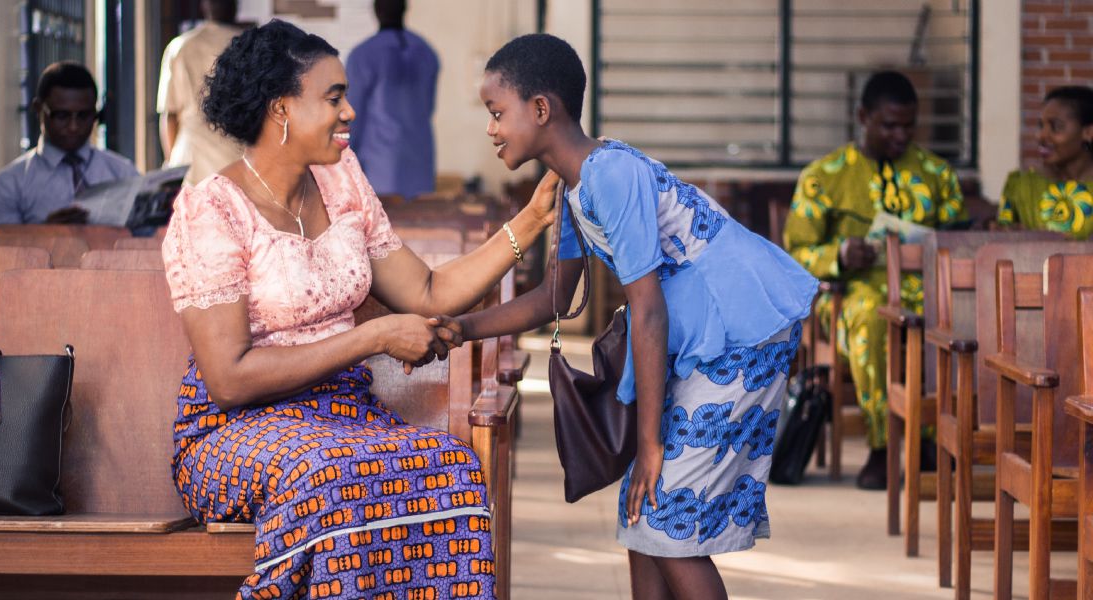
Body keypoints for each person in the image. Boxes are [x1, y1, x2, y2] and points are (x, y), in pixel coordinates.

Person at [161, 21, 556, 599]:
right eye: (333, 97)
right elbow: (228, 379)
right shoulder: (210, 212)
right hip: (233, 431)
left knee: (450, 465)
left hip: (340, 417)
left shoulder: (342, 181)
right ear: (280, 110)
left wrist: (530, 220)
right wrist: (371, 339)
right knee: (329, 476)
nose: (349, 112)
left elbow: (426, 292)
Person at [431, 34, 818, 600]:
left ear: (542, 109)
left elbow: (649, 308)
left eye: (497, 114)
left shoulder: (609, 172)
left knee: (667, 517)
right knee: (644, 515)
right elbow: (554, 299)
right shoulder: (569, 185)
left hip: (742, 329)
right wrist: (462, 329)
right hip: (705, 334)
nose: (491, 129)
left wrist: (651, 444)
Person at [783, 71, 968, 490]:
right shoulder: (823, 176)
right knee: (872, 318)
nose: (900, 135)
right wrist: (840, 255)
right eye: (889, 125)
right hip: (850, 293)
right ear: (862, 116)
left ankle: (932, 441)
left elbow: (962, 241)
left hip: (927, 288)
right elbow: (793, 256)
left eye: (908, 125)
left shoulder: (936, 174)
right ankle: (883, 446)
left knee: (961, 319)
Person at [0, 61, 136, 234]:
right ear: (38, 109)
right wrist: (45, 233)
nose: (73, 126)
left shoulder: (124, 174)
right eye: (62, 116)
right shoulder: (9, 185)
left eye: (84, 116)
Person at [344, 0, 439, 200]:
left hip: (379, 171)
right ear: (405, 8)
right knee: (421, 226)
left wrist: (343, 166)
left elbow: (352, 116)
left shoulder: (363, 55)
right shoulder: (426, 52)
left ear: (376, 10)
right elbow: (429, 108)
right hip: (420, 165)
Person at [157, 0, 244, 187]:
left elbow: (169, 114)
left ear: (204, 6)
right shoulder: (248, 45)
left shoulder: (180, 46)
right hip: (236, 157)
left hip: (189, 158)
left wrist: (171, 164)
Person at [997, 85, 1093, 239]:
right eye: (1041, 126)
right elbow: (999, 249)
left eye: (1055, 127)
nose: (1041, 136)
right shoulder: (1021, 186)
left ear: (1088, 132)